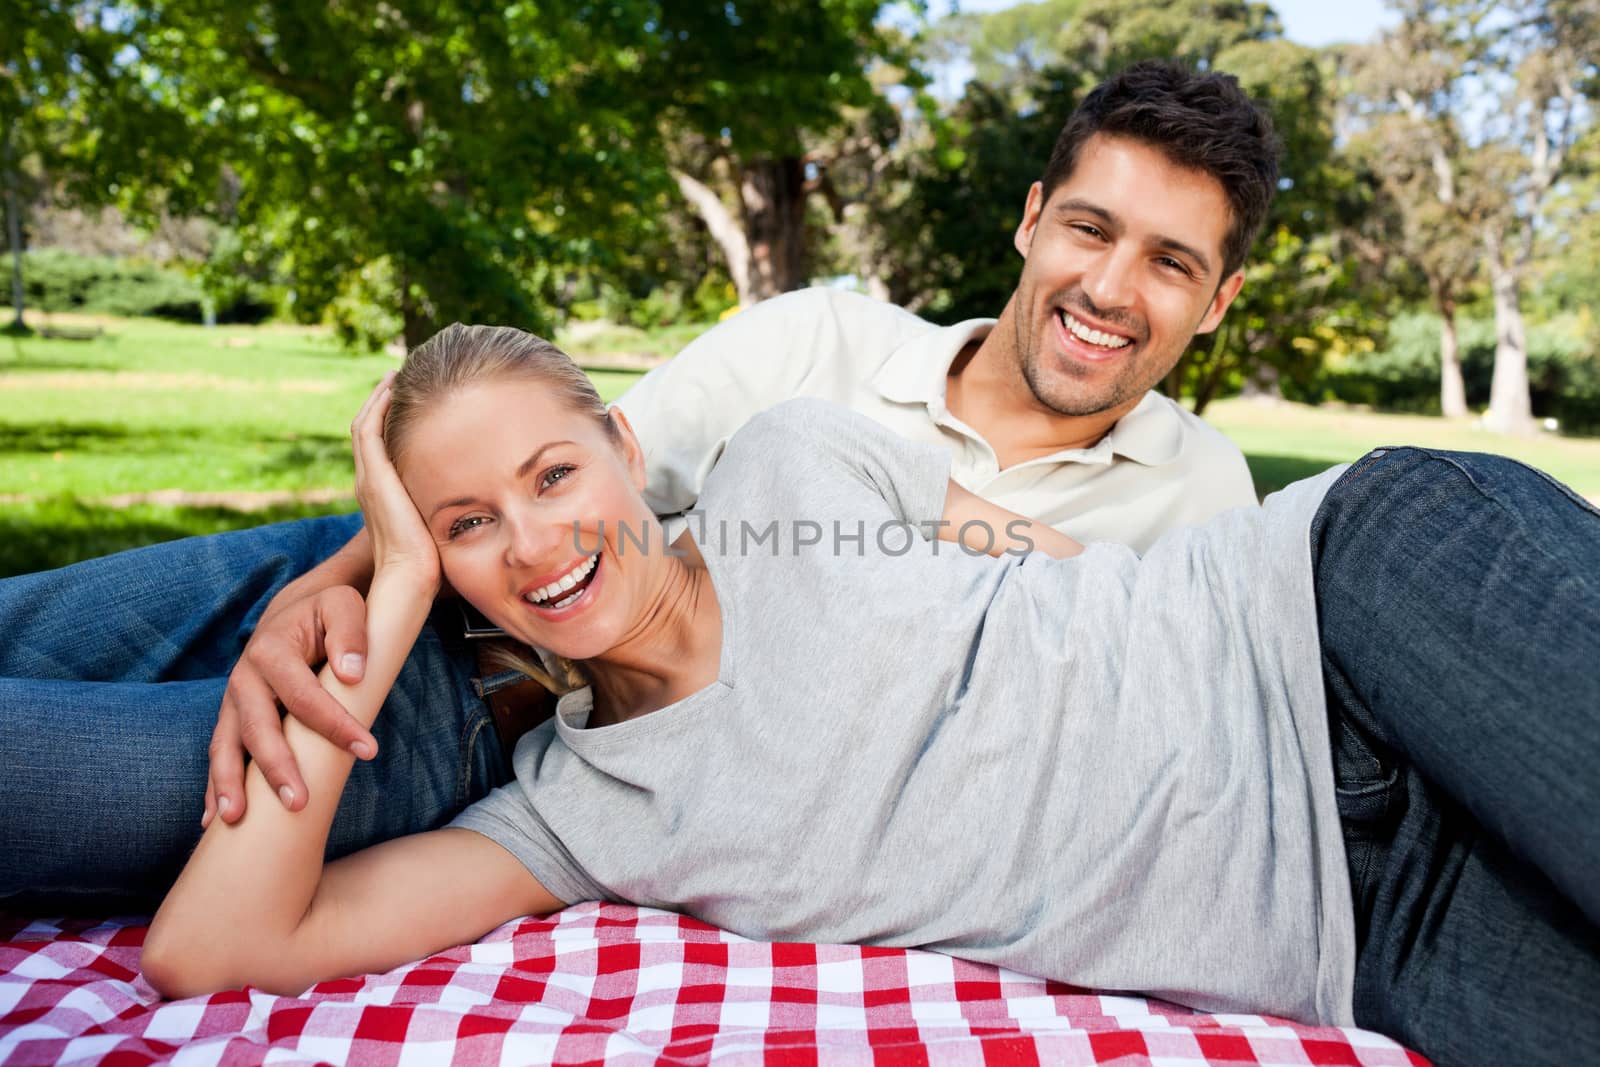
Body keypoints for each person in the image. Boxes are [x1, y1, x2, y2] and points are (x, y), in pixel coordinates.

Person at [143, 324, 1599, 1067]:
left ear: (621, 449)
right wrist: (384, 587)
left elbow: (1052, 554)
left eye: (552, 473)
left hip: (1344, 618)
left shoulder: (793, 469)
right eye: (465, 525)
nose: (532, 541)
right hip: (1357, 925)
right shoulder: (583, 815)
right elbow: (218, 948)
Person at [1, 61, 1270, 907]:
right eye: (1090, 229)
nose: (1108, 289)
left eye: (1169, 263)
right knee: (30, 623)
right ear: (1033, 217)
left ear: (1214, 303)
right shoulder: (820, 345)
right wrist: (327, 589)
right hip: (405, 567)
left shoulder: (1199, 501)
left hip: (489, 738)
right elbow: (579, 462)